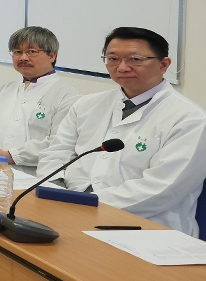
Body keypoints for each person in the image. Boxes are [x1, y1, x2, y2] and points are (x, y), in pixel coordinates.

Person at [38, 27, 206, 235]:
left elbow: (162, 190)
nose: (122, 67)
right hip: (67, 213)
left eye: (135, 59)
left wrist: (84, 204)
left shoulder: (190, 119)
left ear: (164, 64)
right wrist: (55, 192)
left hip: (146, 229)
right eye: (113, 59)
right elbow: (55, 154)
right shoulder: (86, 105)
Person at [0, 27, 80, 173]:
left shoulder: (69, 97)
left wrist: (10, 156)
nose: (23, 58)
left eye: (32, 52)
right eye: (17, 52)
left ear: (52, 56)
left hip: (27, 174)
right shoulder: (2, 90)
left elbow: (60, 143)